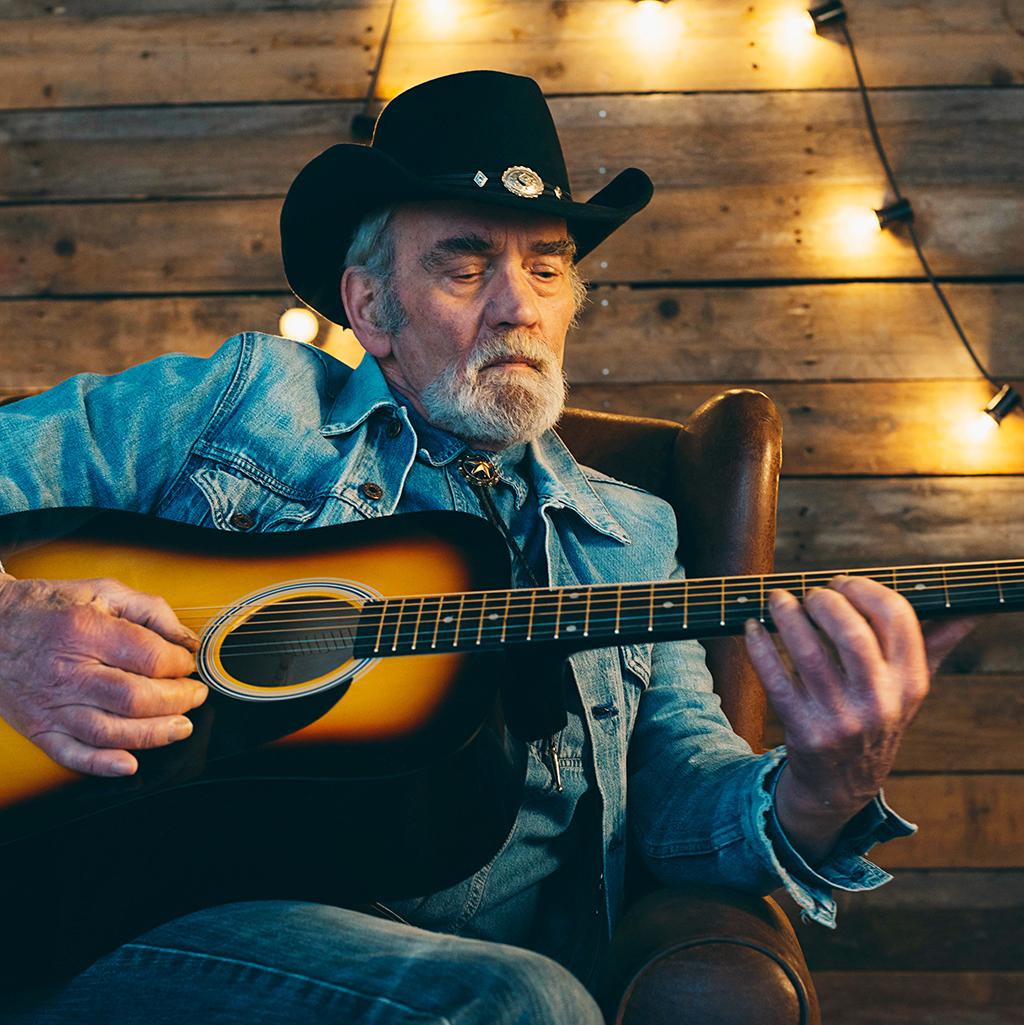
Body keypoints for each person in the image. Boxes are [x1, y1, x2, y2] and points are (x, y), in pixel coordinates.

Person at [0, 71, 973, 1023]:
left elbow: (682, 807)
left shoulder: (629, 536)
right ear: (371, 306)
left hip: (460, 967)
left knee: (516, 989)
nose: (519, 304)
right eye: (465, 265)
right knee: (516, 998)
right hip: (120, 921)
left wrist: (828, 779)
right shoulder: (243, 403)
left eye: (547, 266)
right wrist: (12, 626)